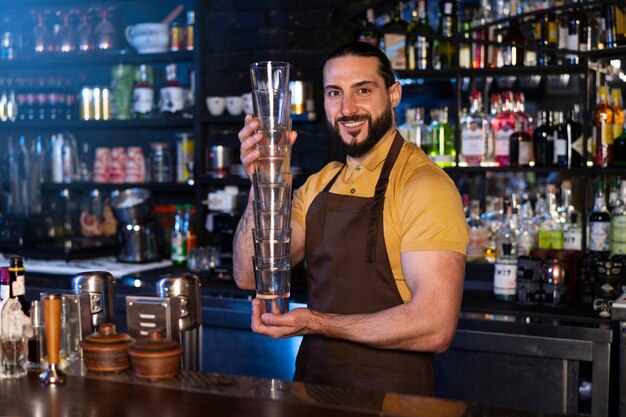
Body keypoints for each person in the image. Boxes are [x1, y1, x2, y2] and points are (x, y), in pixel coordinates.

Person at [233, 41, 469, 396]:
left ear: (393, 95)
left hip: (392, 401)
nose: (347, 108)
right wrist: (262, 180)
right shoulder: (319, 184)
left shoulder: (425, 185)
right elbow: (248, 275)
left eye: (362, 89)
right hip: (314, 392)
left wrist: (316, 322)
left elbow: (435, 326)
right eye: (334, 93)